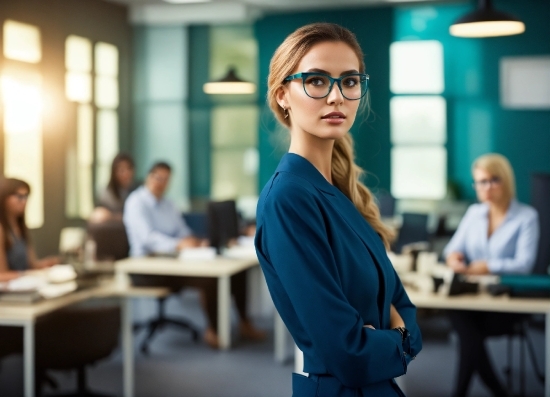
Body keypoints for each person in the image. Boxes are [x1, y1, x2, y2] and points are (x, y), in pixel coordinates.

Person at [254, 23, 422, 396]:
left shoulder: (342, 194)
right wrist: (402, 340)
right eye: (316, 80)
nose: (336, 97)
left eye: (349, 81)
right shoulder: (289, 198)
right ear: (283, 95)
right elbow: (349, 354)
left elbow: (403, 306)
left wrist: (395, 336)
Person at [123, 162, 264, 348]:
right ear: (148, 177)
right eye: (158, 177)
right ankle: (214, 330)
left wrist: (196, 242)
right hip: (147, 266)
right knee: (208, 278)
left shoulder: (168, 204)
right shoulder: (136, 202)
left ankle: (244, 323)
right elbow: (147, 238)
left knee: (238, 273)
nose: (162, 183)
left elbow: (181, 230)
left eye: (166, 179)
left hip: (174, 260)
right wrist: (179, 244)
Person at [443, 153, 539, 397]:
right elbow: (451, 248)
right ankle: (496, 391)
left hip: (504, 302)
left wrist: (488, 266)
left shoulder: (526, 217)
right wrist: (454, 257)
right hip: (473, 296)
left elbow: (524, 264)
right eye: (480, 182)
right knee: (461, 320)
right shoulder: (474, 213)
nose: (485, 187)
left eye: (492, 180)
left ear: (505, 181)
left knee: (468, 334)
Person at [0, 178, 59, 282]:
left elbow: (31, 265)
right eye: (19, 197)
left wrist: (46, 265)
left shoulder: (21, 227)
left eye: (26, 196)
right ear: (4, 197)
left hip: (25, 286)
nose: (24, 201)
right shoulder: (2, 229)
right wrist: (26, 274)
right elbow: (2, 275)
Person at [90, 153, 136, 223]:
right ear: (114, 172)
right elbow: (98, 215)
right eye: (121, 170)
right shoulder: (107, 194)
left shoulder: (139, 191)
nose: (126, 174)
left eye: (129, 169)